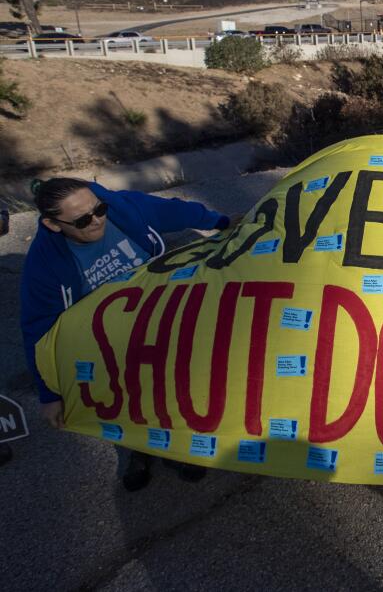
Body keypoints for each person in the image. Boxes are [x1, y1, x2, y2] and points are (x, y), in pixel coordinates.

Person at [20, 178, 232, 490]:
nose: (97, 221)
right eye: (82, 220)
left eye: (99, 209)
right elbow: (37, 328)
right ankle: (138, 451)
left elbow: (170, 212)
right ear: (53, 224)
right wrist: (49, 394)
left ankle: (180, 450)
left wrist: (220, 222)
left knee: (173, 387)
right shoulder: (44, 266)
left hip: (160, 318)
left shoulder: (121, 210)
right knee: (125, 396)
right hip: (108, 339)